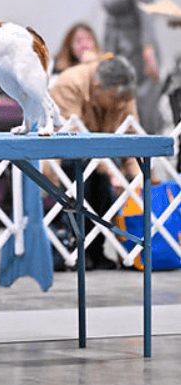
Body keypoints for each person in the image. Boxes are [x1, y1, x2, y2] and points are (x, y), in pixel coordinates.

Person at [49, 55, 140, 270]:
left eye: (124, 100)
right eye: (116, 99)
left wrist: (138, 180)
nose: (121, 104)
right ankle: (76, 249)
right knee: (85, 173)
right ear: (98, 87)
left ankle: (98, 251)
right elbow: (72, 139)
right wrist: (112, 173)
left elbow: (133, 139)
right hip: (62, 157)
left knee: (118, 181)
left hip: (104, 157)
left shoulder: (124, 92)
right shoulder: (69, 83)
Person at [101, 0, 162, 133]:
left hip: (137, 54)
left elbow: (147, 16)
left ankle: (150, 152)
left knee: (141, 108)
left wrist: (148, 52)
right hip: (119, 53)